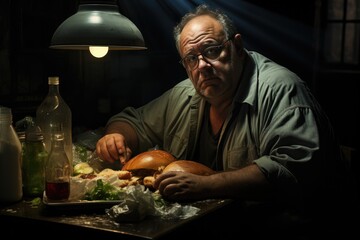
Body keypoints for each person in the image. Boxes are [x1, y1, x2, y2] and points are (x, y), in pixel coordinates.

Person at [96, 4, 354, 236]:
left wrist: (207, 185)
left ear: (237, 47)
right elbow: (132, 120)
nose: (202, 66)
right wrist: (116, 135)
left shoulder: (282, 89)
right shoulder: (187, 92)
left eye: (212, 50)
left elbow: (293, 170)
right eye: (191, 58)